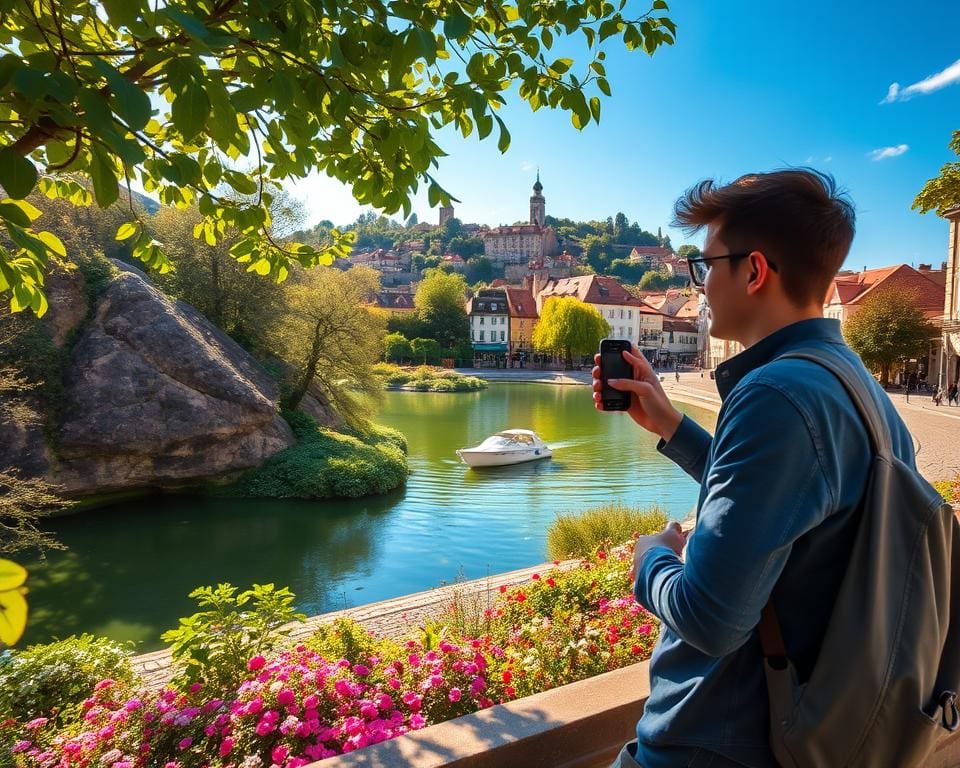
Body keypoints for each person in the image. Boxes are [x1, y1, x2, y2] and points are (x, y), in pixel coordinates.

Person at [592, 169, 917, 768]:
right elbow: (788, 505)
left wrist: (650, 559)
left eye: (705, 265)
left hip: (716, 740)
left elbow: (710, 619)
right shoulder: (851, 383)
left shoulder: (775, 393)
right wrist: (673, 426)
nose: (701, 284)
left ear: (754, 270)